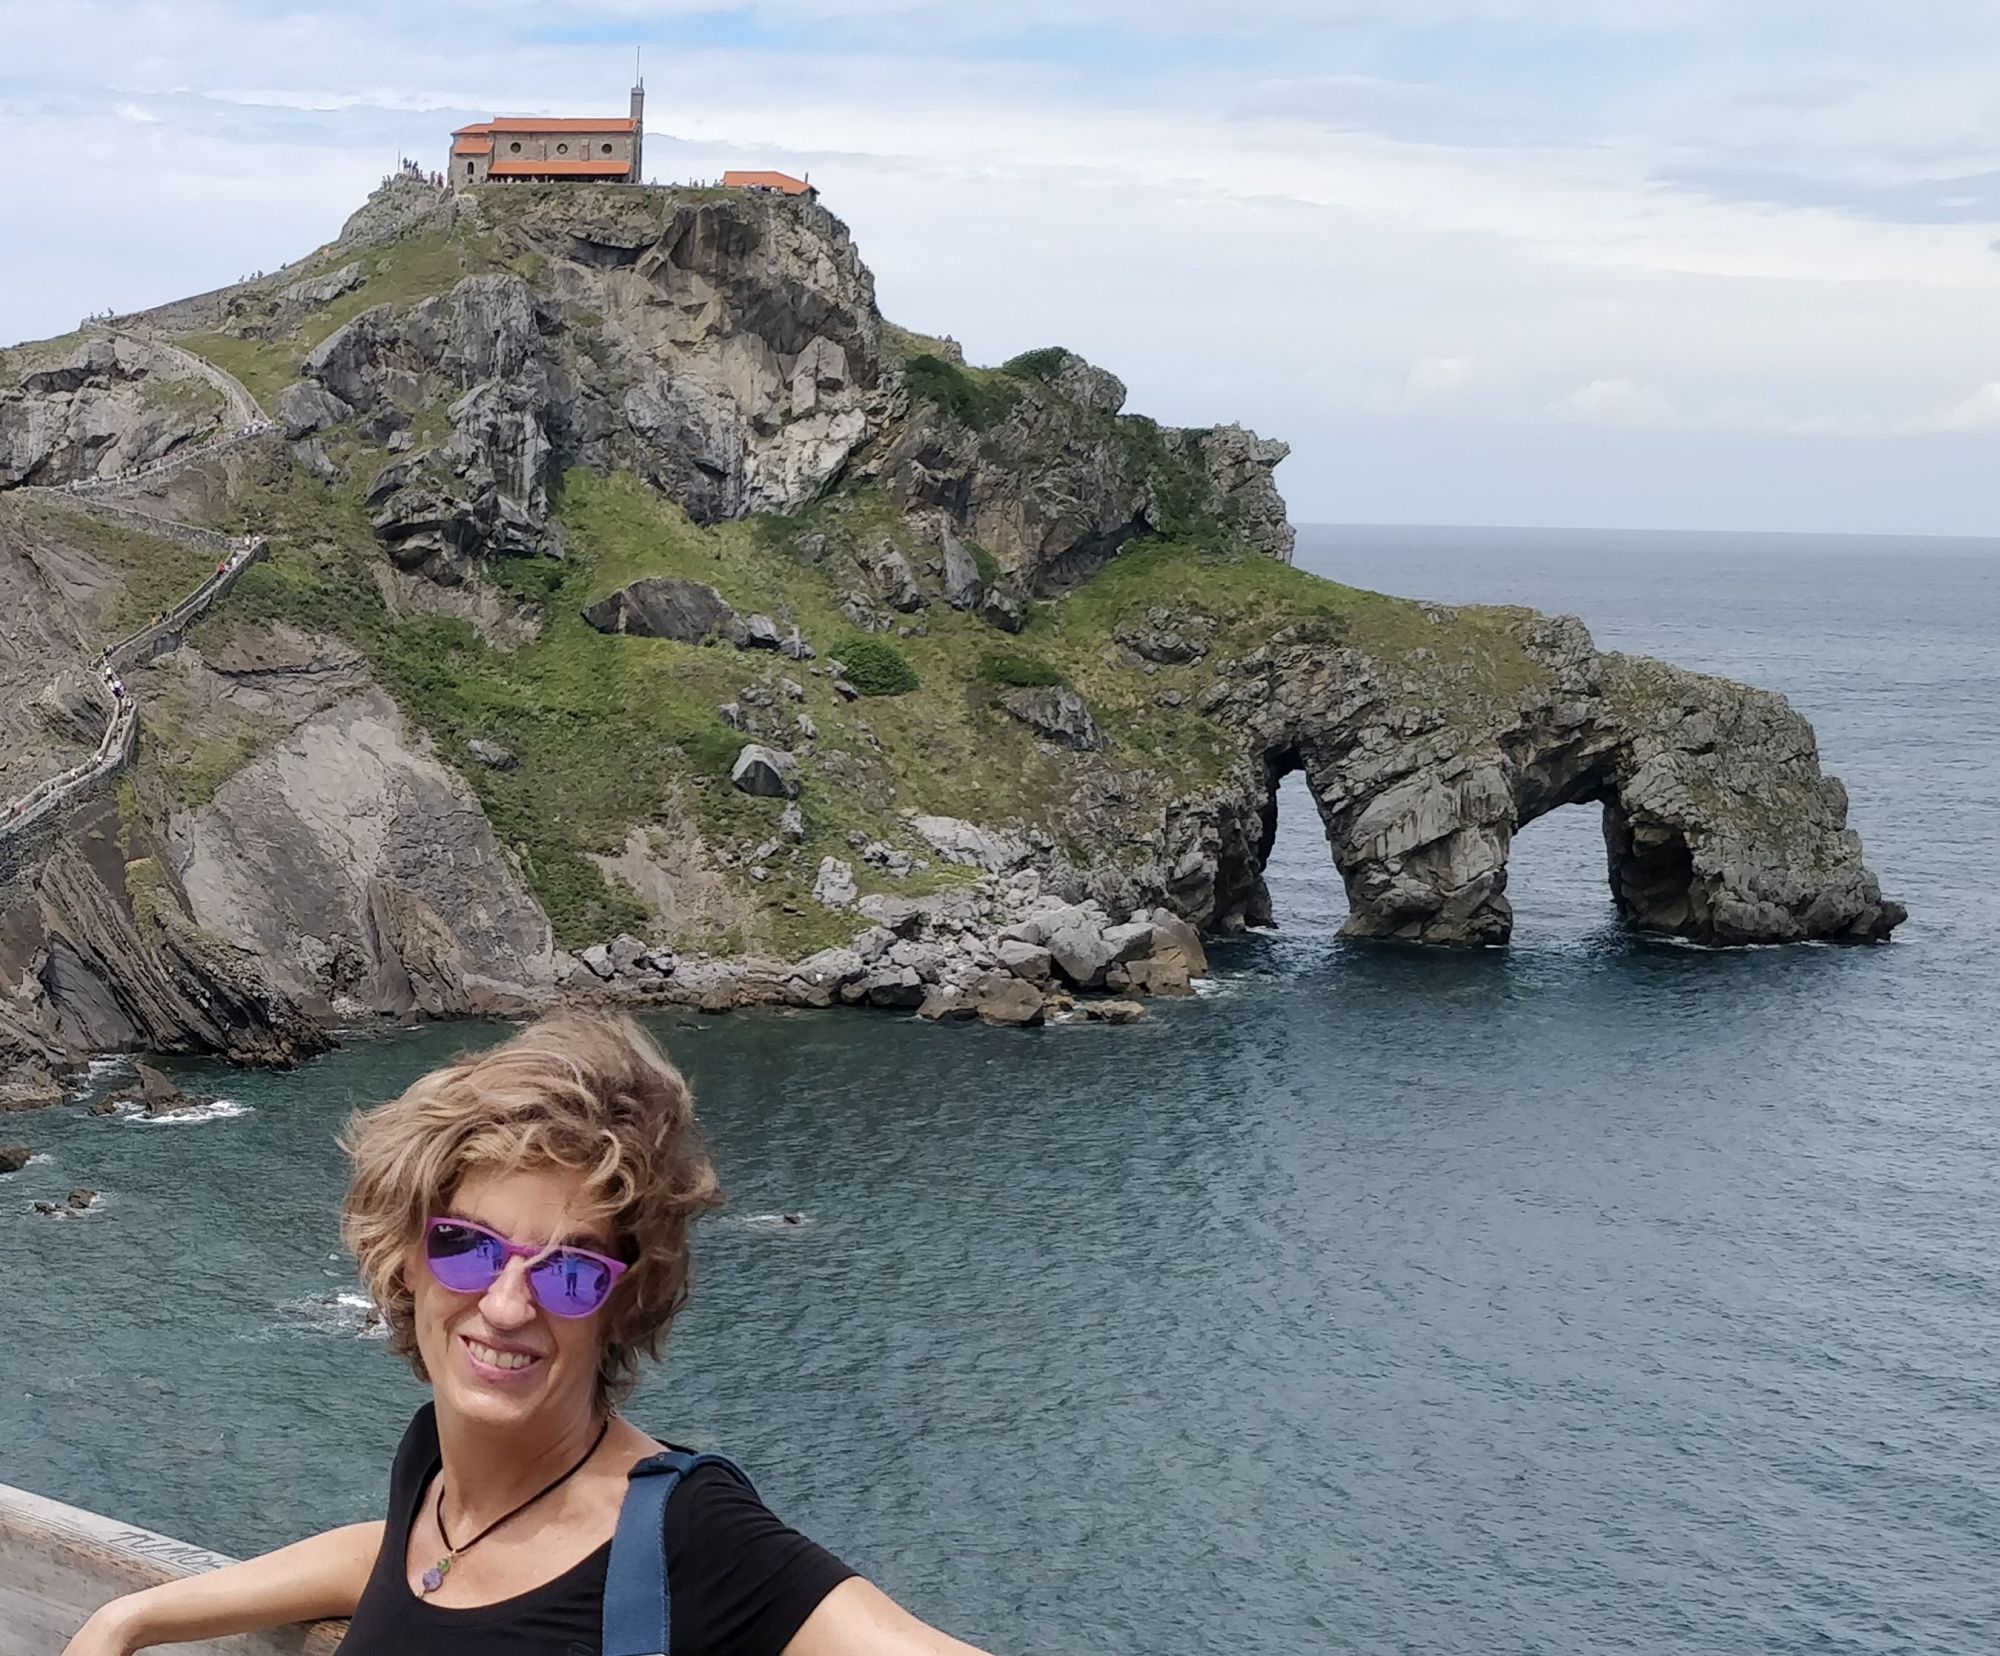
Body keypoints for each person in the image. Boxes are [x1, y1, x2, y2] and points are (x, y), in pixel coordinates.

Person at [61, 1013, 992, 1656]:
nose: (507, 1305)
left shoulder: (687, 1534)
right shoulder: (437, 1467)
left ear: (625, 1300)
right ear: (407, 1260)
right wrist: (135, 1616)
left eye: (571, 1269)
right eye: (468, 1248)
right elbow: (403, 1567)